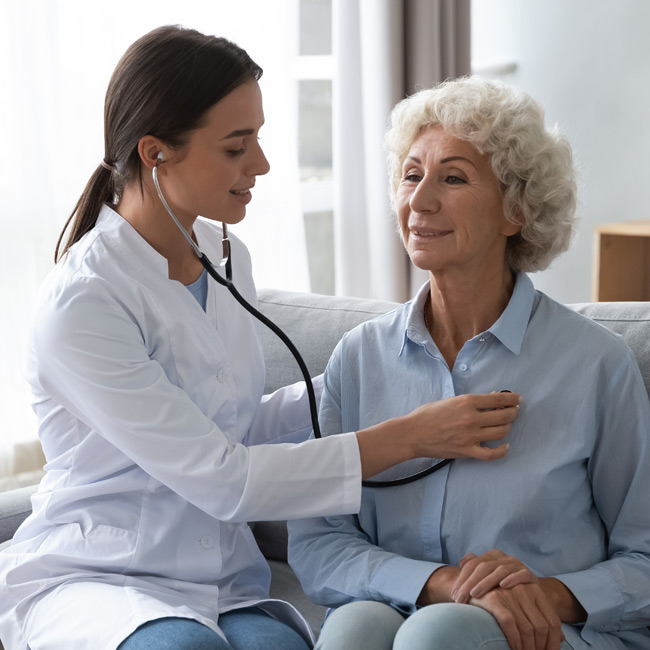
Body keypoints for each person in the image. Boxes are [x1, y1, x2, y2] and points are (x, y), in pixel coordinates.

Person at [0, 28, 522, 650]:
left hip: (217, 579)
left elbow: (236, 424)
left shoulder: (226, 261)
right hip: (102, 578)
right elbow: (225, 476)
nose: (263, 164)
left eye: (259, 138)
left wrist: (371, 375)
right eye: (236, 146)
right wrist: (409, 436)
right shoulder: (84, 303)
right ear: (156, 152)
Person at [287, 76, 650, 650]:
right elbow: (319, 542)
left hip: (551, 635)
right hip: (407, 617)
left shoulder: (596, 365)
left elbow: (646, 554)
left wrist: (543, 595)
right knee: (357, 625)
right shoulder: (359, 358)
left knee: (442, 634)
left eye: (452, 178)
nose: (420, 200)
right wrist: (440, 583)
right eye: (411, 175)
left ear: (516, 211)